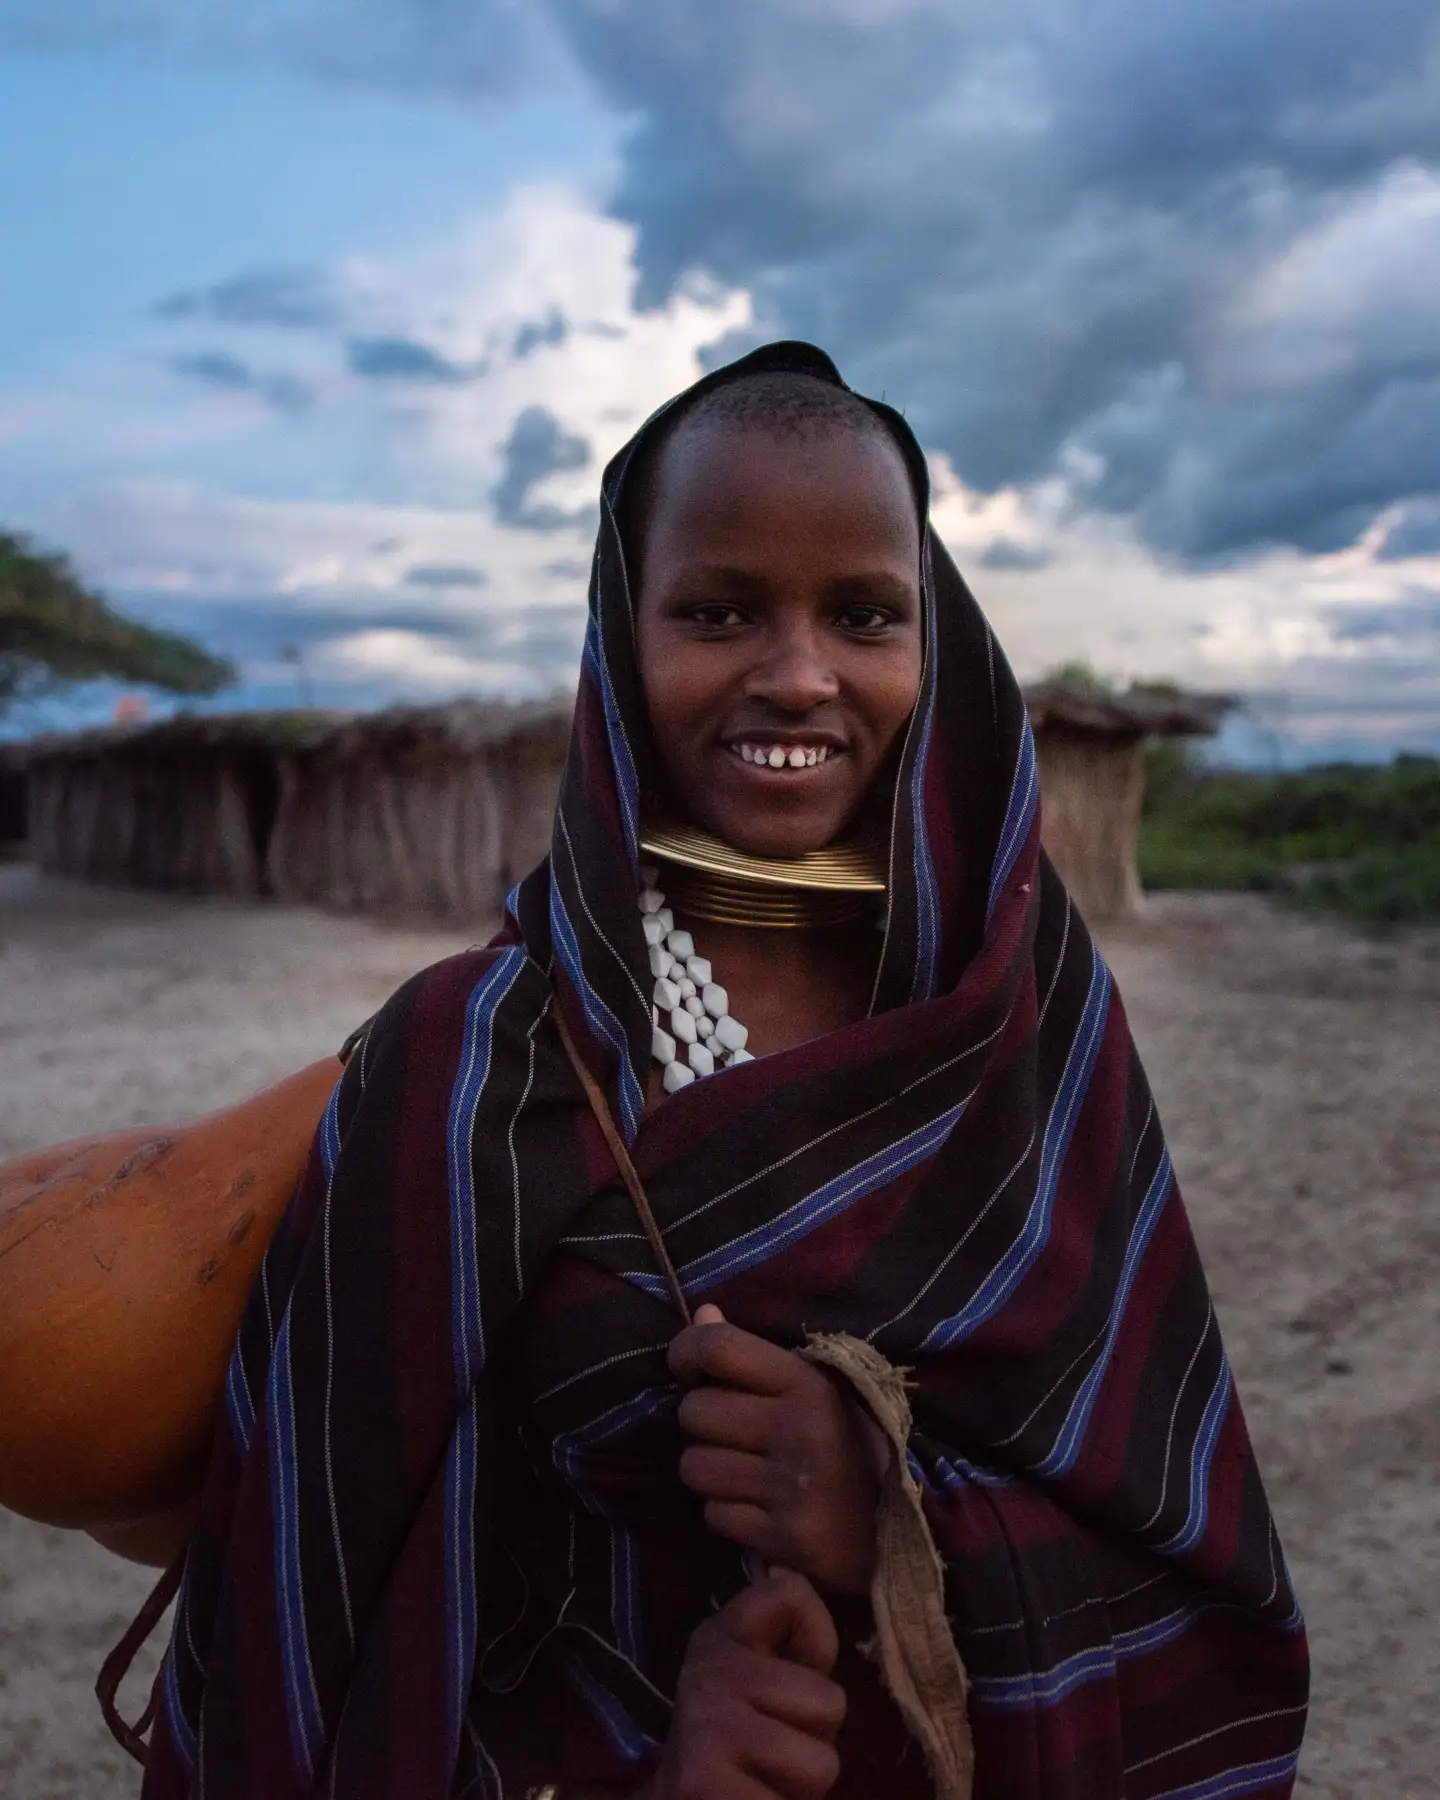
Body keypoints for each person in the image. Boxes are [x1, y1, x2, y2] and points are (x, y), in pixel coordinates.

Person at [137, 343, 1307, 1799]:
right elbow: (319, 1637)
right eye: (718, 610)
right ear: (621, 638)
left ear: (933, 641)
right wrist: (653, 1763)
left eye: (867, 614)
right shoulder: (466, 1069)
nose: (801, 674)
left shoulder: (1032, 1026)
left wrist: (886, 1520)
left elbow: (1196, 1562)